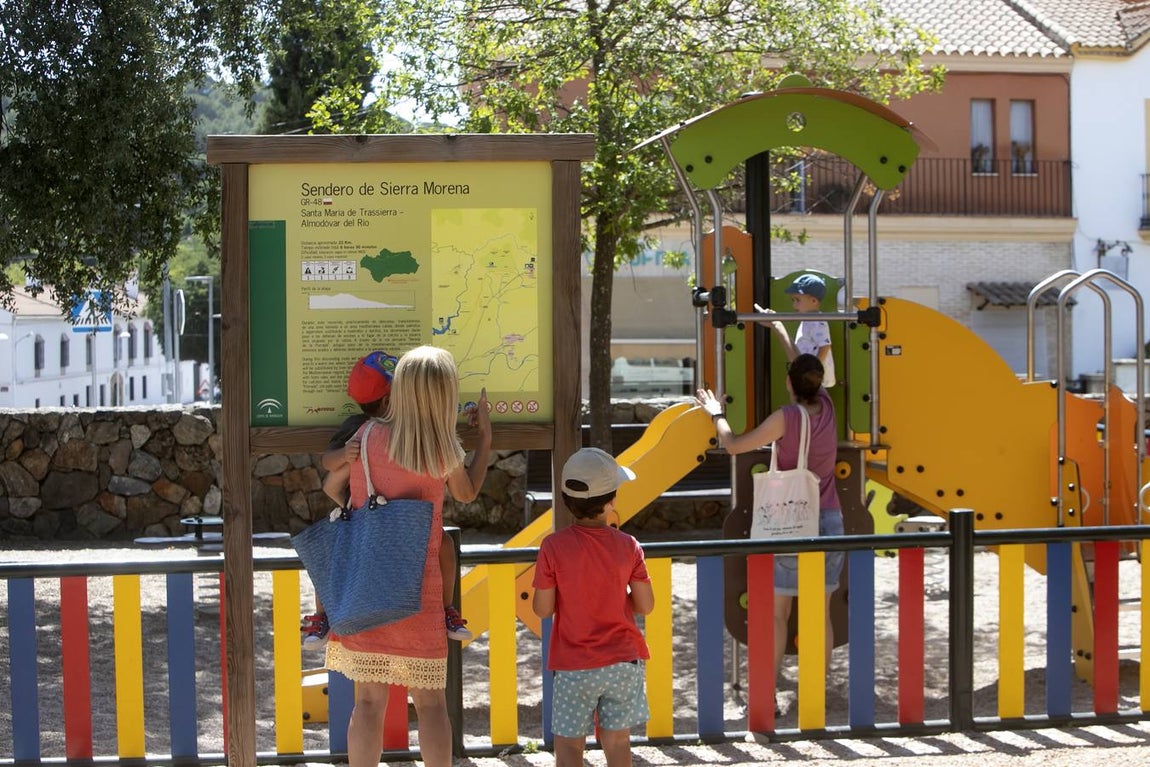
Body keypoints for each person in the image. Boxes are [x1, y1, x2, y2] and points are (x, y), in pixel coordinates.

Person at [326, 345, 490, 767]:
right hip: (421, 588)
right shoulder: (441, 449)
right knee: (432, 704)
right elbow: (467, 493)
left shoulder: (364, 437)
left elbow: (333, 484)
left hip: (369, 584)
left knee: (367, 702)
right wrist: (485, 440)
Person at [302, 350, 475, 650]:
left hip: (373, 510)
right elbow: (329, 463)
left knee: (343, 555)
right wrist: (345, 455)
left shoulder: (386, 432)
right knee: (336, 553)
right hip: (360, 508)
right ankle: (322, 614)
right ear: (387, 400)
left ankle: (446, 610)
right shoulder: (361, 429)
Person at [695, 353, 843, 682]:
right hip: (831, 519)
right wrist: (779, 330)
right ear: (819, 382)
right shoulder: (829, 408)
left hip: (791, 521)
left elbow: (733, 445)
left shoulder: (787, 417)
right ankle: (815, 694)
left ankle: (768, 689)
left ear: (789, 381)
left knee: (779, 613)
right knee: (820, 612)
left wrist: (716, 413)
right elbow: (801, 365)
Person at [532, 447, 655, 767]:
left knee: (570, 748)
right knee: (617, 743)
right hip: (622, 663)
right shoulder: (629, 546)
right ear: (611, 500)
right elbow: (645, 605)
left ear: (565, 499)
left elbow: (543, 609)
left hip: (575, 666)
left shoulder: (552, 547)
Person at [755, 273, 836, 387]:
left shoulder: (817, 321)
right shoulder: (807, 320)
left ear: (813, 301)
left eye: (797, 300)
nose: (794, 305)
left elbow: (825, 346)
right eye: (793, 300)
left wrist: (812, 372)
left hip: (814, 378)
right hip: (808, 374)